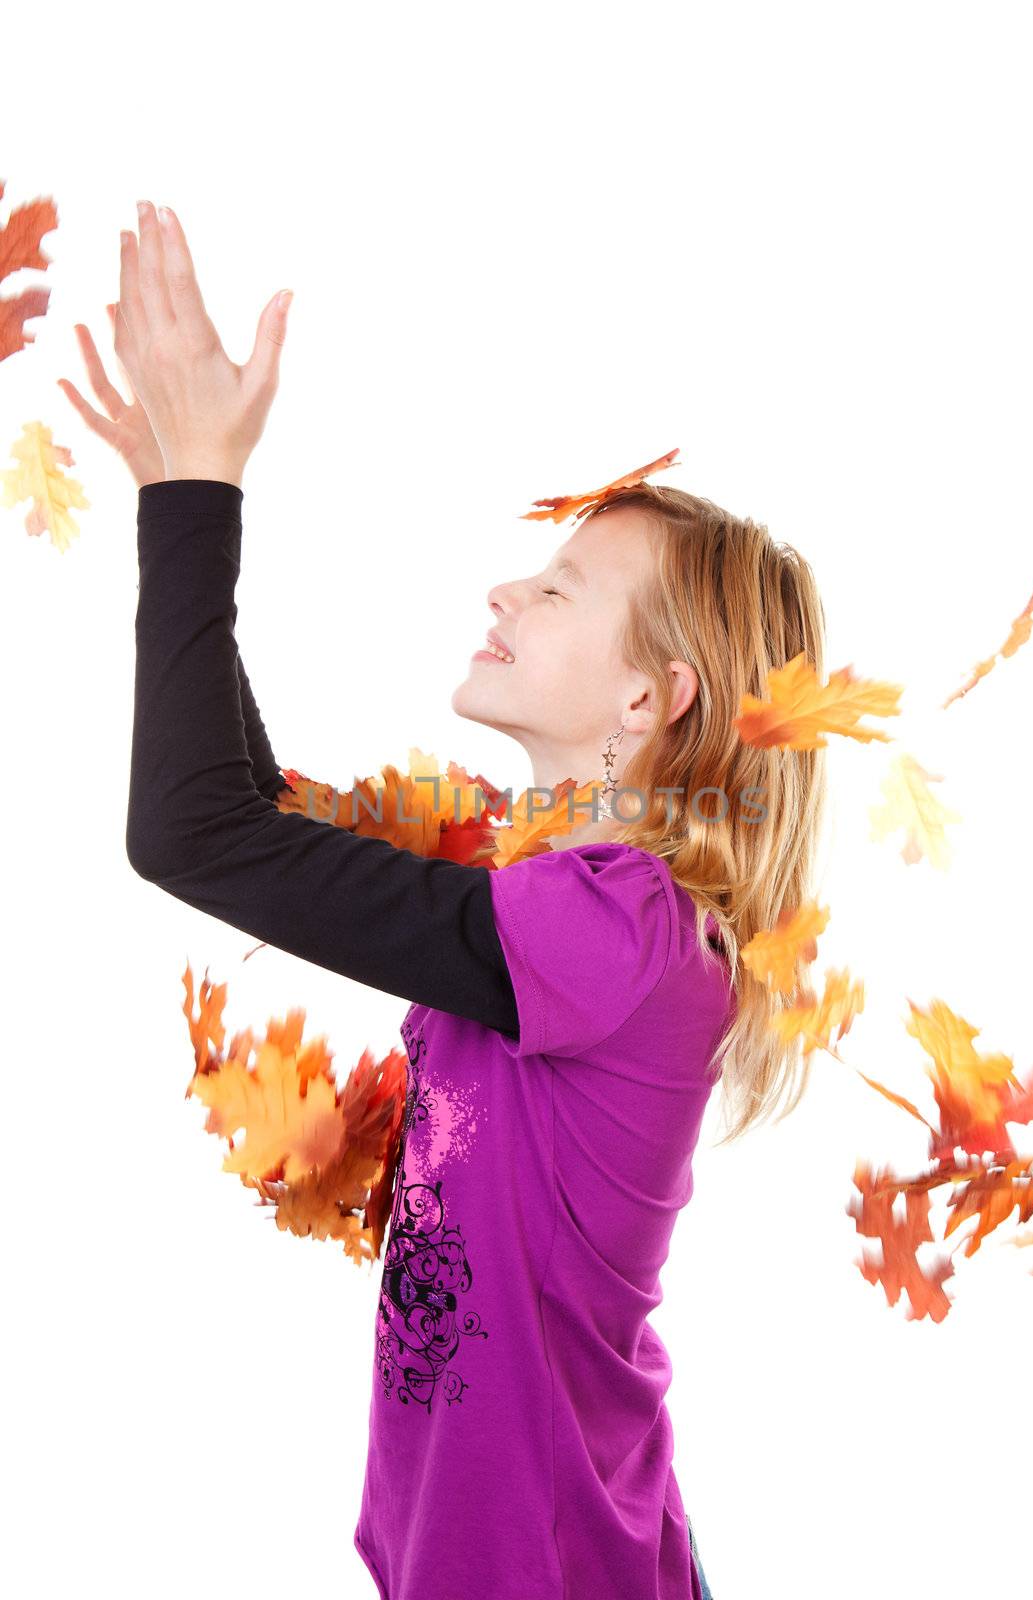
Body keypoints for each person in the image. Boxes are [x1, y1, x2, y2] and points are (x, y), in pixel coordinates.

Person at [59, 200, 828, 1600]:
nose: (505, 590)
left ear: (653, 698)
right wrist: (174, 486)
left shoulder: (623, 934)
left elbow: (195, 832)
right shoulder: (565, 909)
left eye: (560, 588)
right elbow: (242, 813)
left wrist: (201, 495)